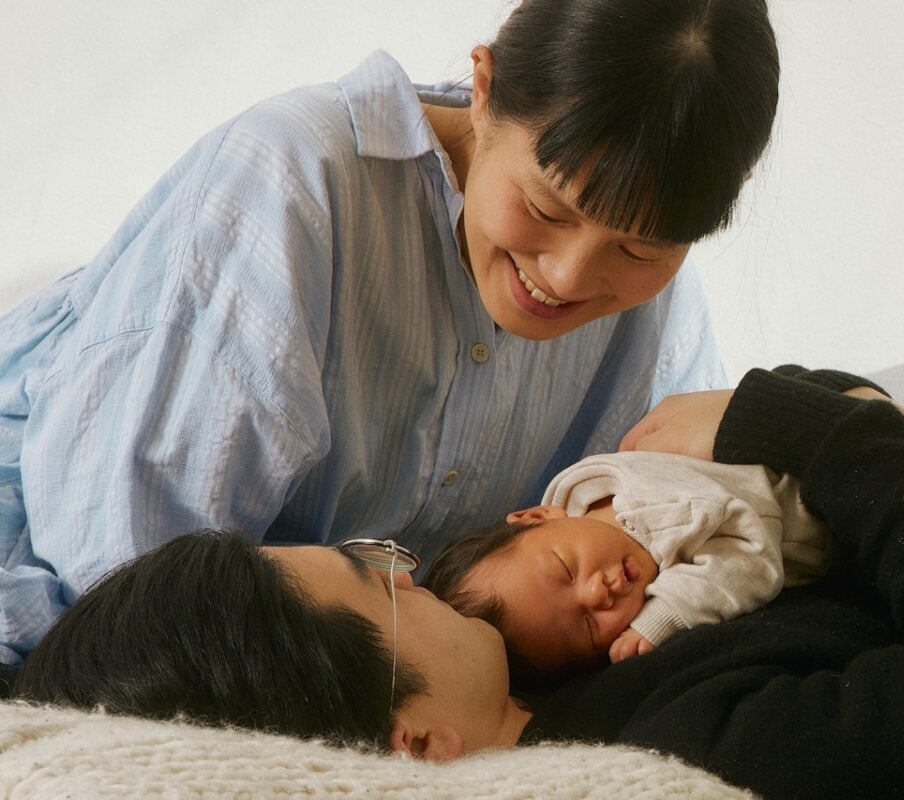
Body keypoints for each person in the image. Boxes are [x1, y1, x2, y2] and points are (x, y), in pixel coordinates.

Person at [19, 329, 904, 797]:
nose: (406, 563)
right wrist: (797, 419)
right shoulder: (687, 758)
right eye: (375, 577)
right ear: (412, 741)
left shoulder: (559, 673)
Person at [0, 0, 781, 666]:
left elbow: (708, 536)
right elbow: (123, 588)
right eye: (547, 210)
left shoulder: (660, 309)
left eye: (640, 249)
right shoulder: (293, 185)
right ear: (483, 88)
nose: (572, 277)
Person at [422, 409, 884, 677]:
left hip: (851, 498)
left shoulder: (654, 508)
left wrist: (665, 613)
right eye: (586, 628)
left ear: (537, 516)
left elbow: (751, 554)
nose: (596, 593)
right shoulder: (598, 499)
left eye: (566, 569)